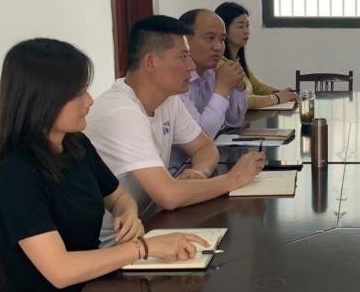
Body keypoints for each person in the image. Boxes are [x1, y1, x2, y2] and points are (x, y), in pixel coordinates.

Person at [0, 39, 209, 292]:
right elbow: (60, 270)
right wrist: (143, 247)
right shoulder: (16, 173)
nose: (89, 101)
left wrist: (128, 212)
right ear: (42, 98)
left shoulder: (74, 144)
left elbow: (118, 197)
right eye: (77, 93)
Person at [86, 15, 265, 222]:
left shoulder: (168, 99)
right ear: (151, 62)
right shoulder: (121, 111)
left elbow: (205, 147)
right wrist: (234, 179)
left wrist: (199, 172)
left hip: (147, 220)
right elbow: (168, 196)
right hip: (113, 239)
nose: (191, 66)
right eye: (183, 57)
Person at [177, 8, 247, 136]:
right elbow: (201, 136)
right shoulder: (175, 81)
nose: (218, 47)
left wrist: (238, 88)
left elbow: (234, 121)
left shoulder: (211, 73)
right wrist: (222, 88)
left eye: (222, 40)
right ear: (185, 40)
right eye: (210, 38)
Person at [215, 2, 297, 108]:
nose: (246, 31)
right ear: (224, 29)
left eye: (247, 26)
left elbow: (257, 87)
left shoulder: (237, 61)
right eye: (240, 27)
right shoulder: (219, 65)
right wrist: (277, 98)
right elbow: (239, 101)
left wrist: (283, 93)